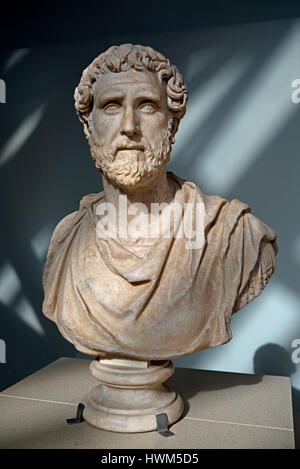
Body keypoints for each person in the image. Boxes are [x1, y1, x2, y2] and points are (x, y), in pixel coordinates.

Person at [42, 44, 278, 360]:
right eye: (112, 106)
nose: (129, 126)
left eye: (147, 106)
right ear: (89, 126)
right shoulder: (67, 240)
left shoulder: (234, 234)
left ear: (172, 123)